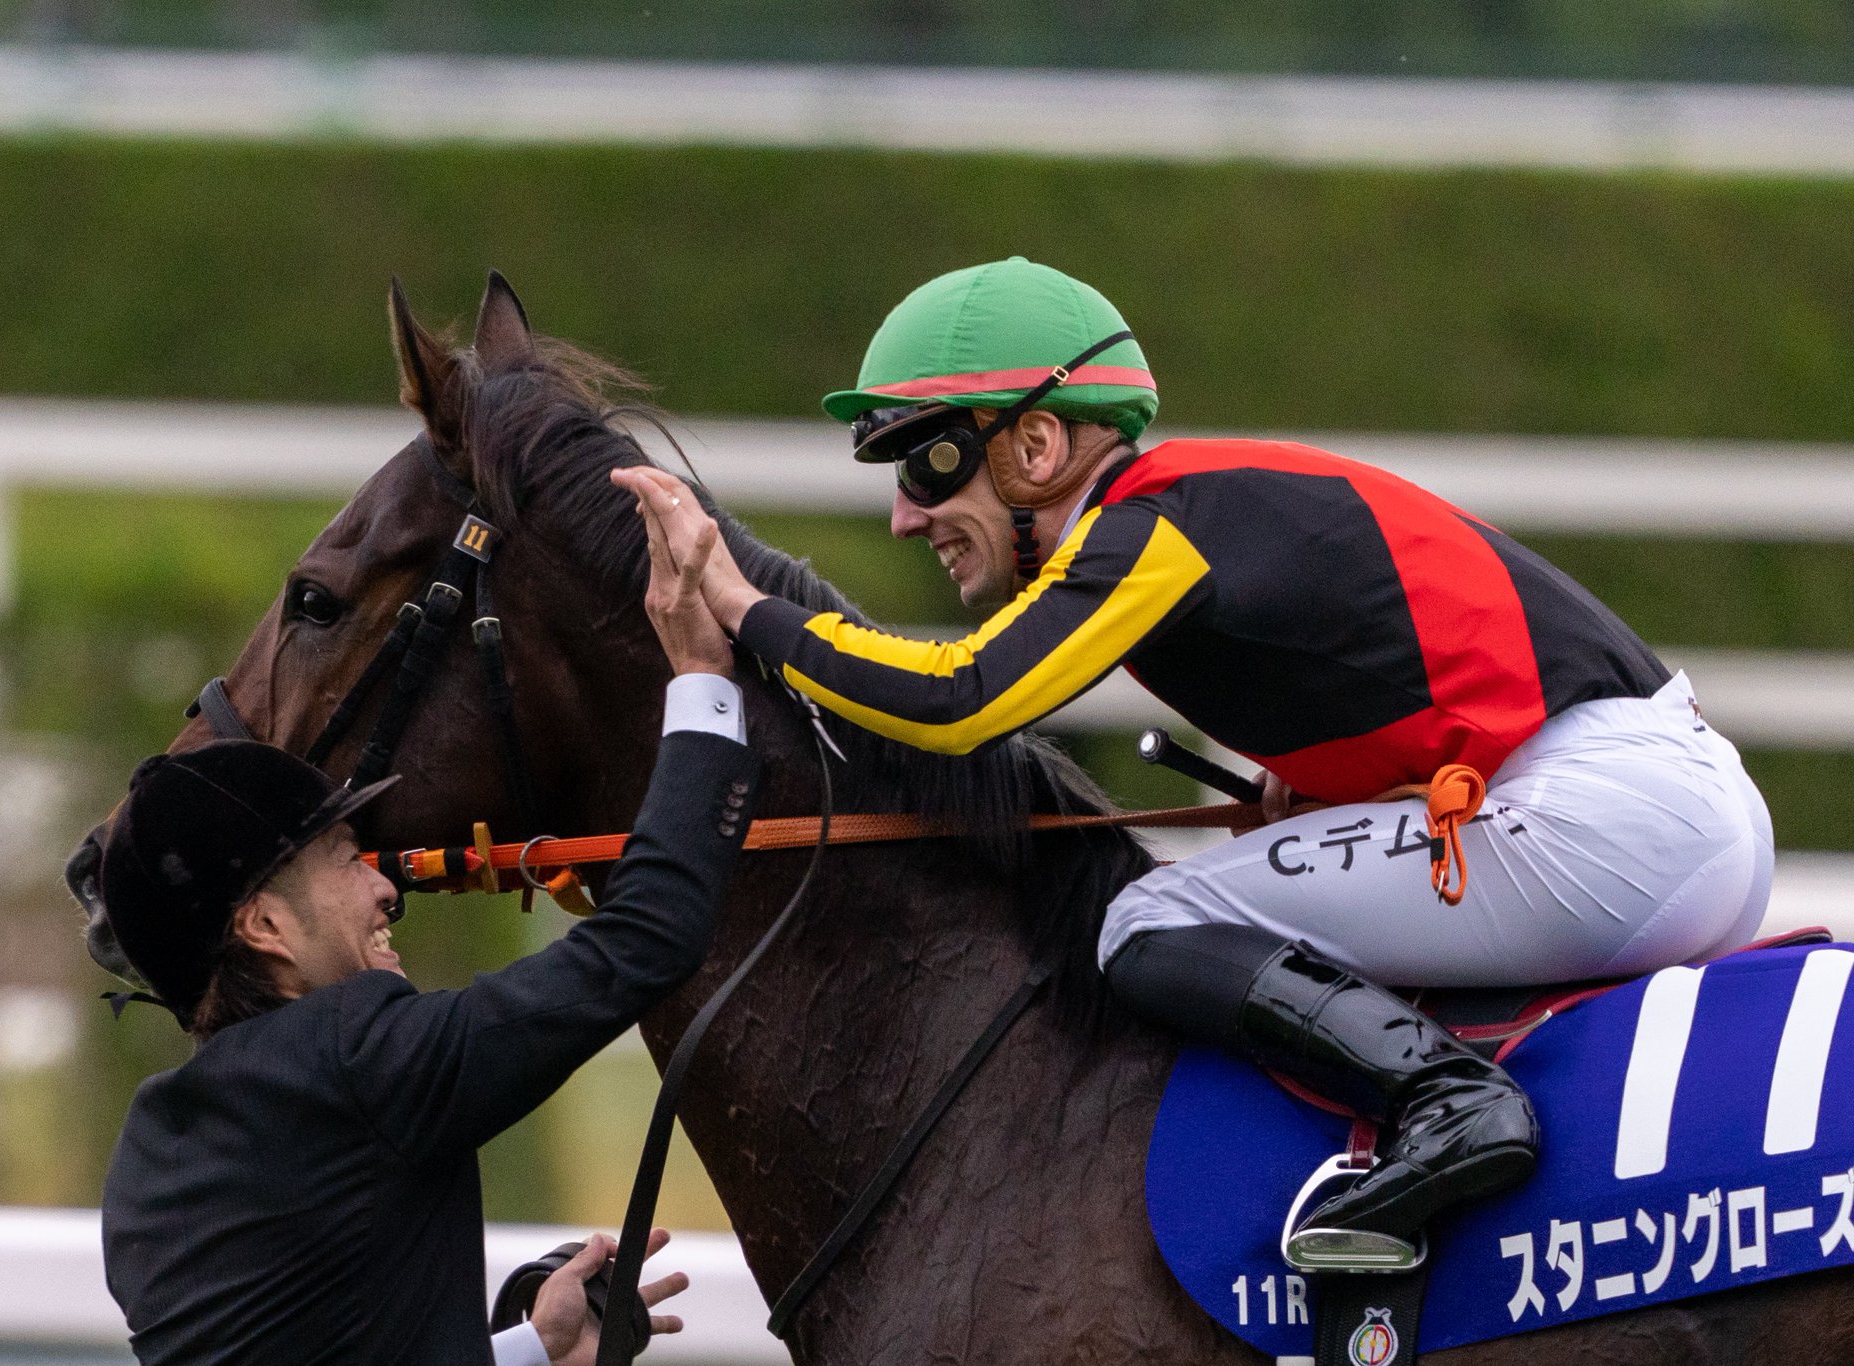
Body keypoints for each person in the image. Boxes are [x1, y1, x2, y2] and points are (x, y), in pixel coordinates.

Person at [614, 256, 1774, 1257]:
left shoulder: (1147, 525)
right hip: (1661, 810)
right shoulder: (1185, 511)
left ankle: (1448, 1103)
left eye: (923, 465)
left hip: (1606, 820)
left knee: (1145, 924)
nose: (905, 518)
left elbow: (961, 698)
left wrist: (745, 607)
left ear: (1032, 442)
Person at [92, 519, 755, 1362]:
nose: (385, 891)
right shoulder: (355, 1057)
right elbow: (645, 937)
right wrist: (702, 681)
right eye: (344, 861)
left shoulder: (149, 1151)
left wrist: (532, 1349)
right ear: (263, 925)